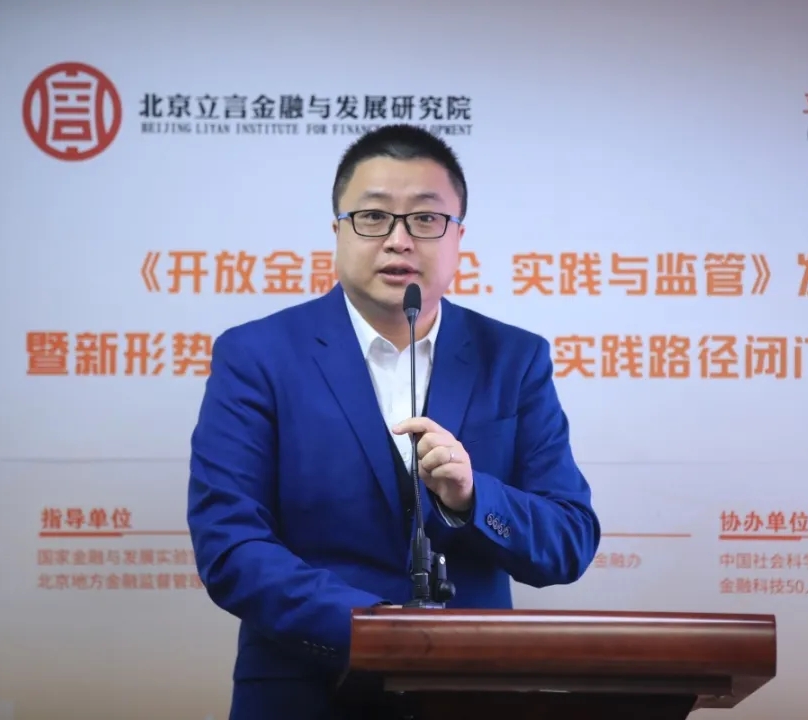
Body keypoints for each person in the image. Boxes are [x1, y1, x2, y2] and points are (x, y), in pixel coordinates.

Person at [186, 123, 601, 719]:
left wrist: (472, 496)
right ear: (337, 231)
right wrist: (373, 629)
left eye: (426, 219)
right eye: (374, 217)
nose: (399, 241)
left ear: (458, 237)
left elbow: (569, 539)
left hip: (471, 696)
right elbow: (229, 543)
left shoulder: (514, 359)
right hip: (306, 693)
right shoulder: (257, 356)